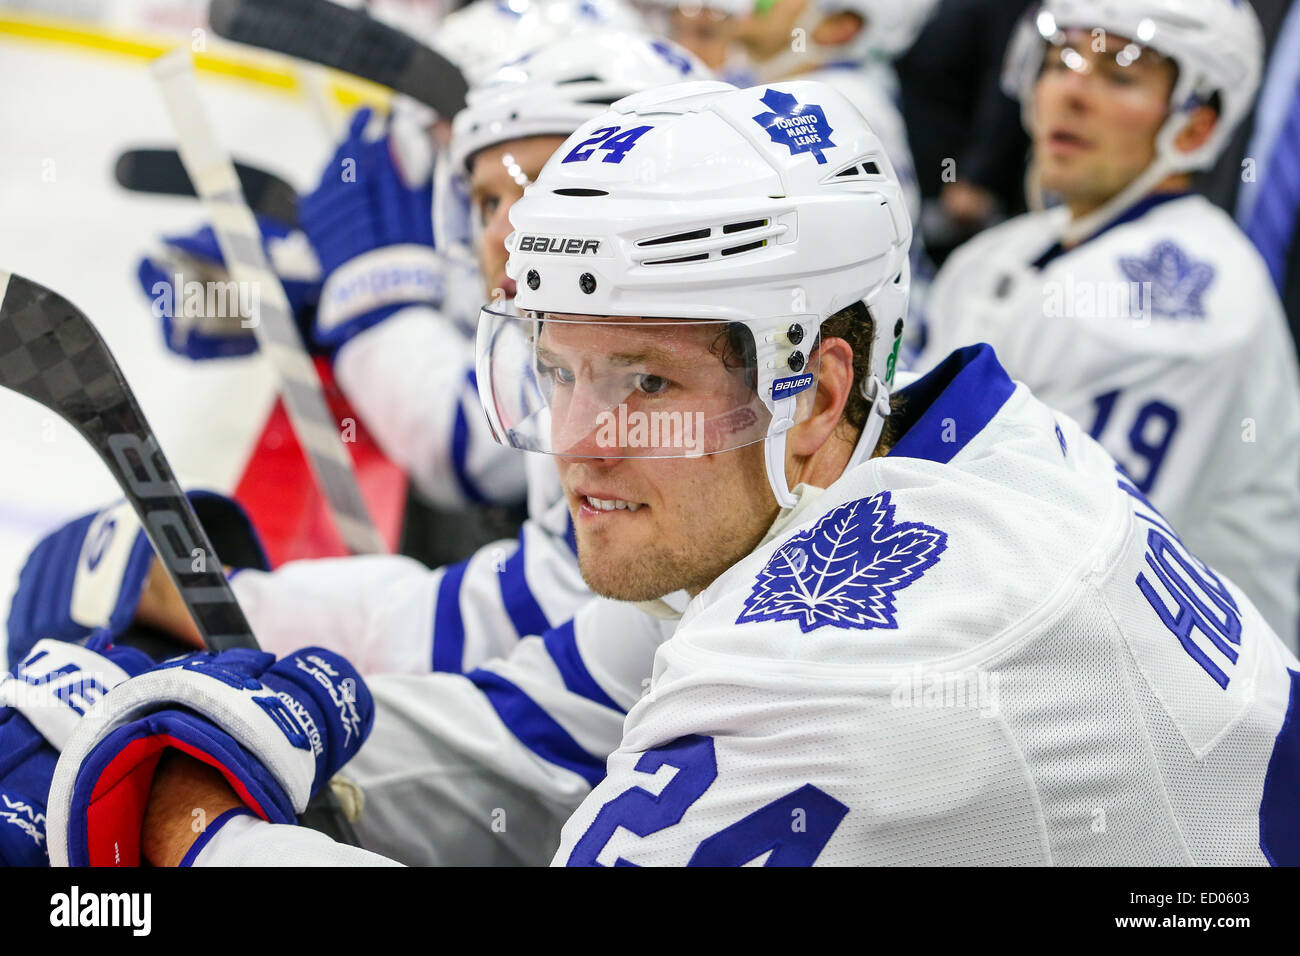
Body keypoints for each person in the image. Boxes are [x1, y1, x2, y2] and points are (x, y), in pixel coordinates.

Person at [48, 79, 1300, 867]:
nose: (585, 436)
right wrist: (258, 718)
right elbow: (548, 727)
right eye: (555, 366)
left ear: (817, 388)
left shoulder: (848, 671)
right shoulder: (931, 449)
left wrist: (172, 824)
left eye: (646, 380)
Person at [914, 0, 1300, 645]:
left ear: (1196, 128)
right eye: (1061, 61)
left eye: (1119, 75)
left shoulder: (1185, 301)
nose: (1071, 92)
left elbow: (1071, 569)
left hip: (1167, 699)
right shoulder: (1001, 254)